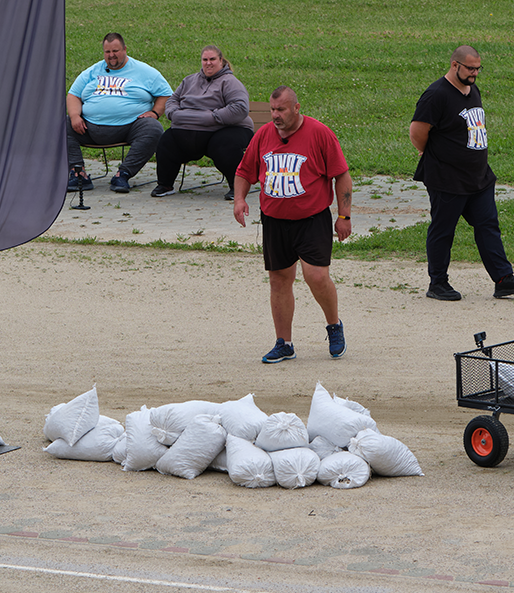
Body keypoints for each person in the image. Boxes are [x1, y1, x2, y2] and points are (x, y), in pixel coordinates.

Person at [234, 87, 352, 364]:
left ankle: (334, 326)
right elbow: (244, 171)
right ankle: (284, 343)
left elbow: (342, 177)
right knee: (279, 279)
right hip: (275, 221)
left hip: (312, 219)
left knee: (317, 277)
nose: (275, 115)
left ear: (296, 108)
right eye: (273, 110)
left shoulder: (320, 133)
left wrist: (344, 216)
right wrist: (239, 199)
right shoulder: (263, 135)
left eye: (281, 110)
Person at [410, 45, 514, 301]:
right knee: (443, 230)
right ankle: (438, 283)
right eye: (470, 68)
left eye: (478, 69)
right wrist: (434, 155)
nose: (475, 74)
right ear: (455, 65)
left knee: (488, 226)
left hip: (478, 177)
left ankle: (503, 279)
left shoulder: (471, 89)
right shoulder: (436, 95)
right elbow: (417, 132)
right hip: (447, 178)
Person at [66, 33, 173, 194]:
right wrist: (75, 116)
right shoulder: (92, 71)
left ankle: (123, 174)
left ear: (124, 49)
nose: (111, 56)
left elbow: (166, 94)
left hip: (129, 127)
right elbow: (73, 94)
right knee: (60, 124)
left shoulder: (145, 71)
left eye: (115, 51)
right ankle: (77, 173)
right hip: (89, 128)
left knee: (153, 128)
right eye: (107, 52)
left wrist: (155, 113)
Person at [151, 45, 255, 201]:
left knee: (223, 145)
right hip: (189, 130)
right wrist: (174, 113)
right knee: (168, 140)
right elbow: (173, 100)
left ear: (221, 61)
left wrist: (212, 117)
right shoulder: (189, 80)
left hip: (228, 128)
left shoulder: (230, 82)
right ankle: (165, 185)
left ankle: (238, 186)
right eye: (205, 60)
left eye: (212, 59)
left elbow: (240, 108)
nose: (208, 63)